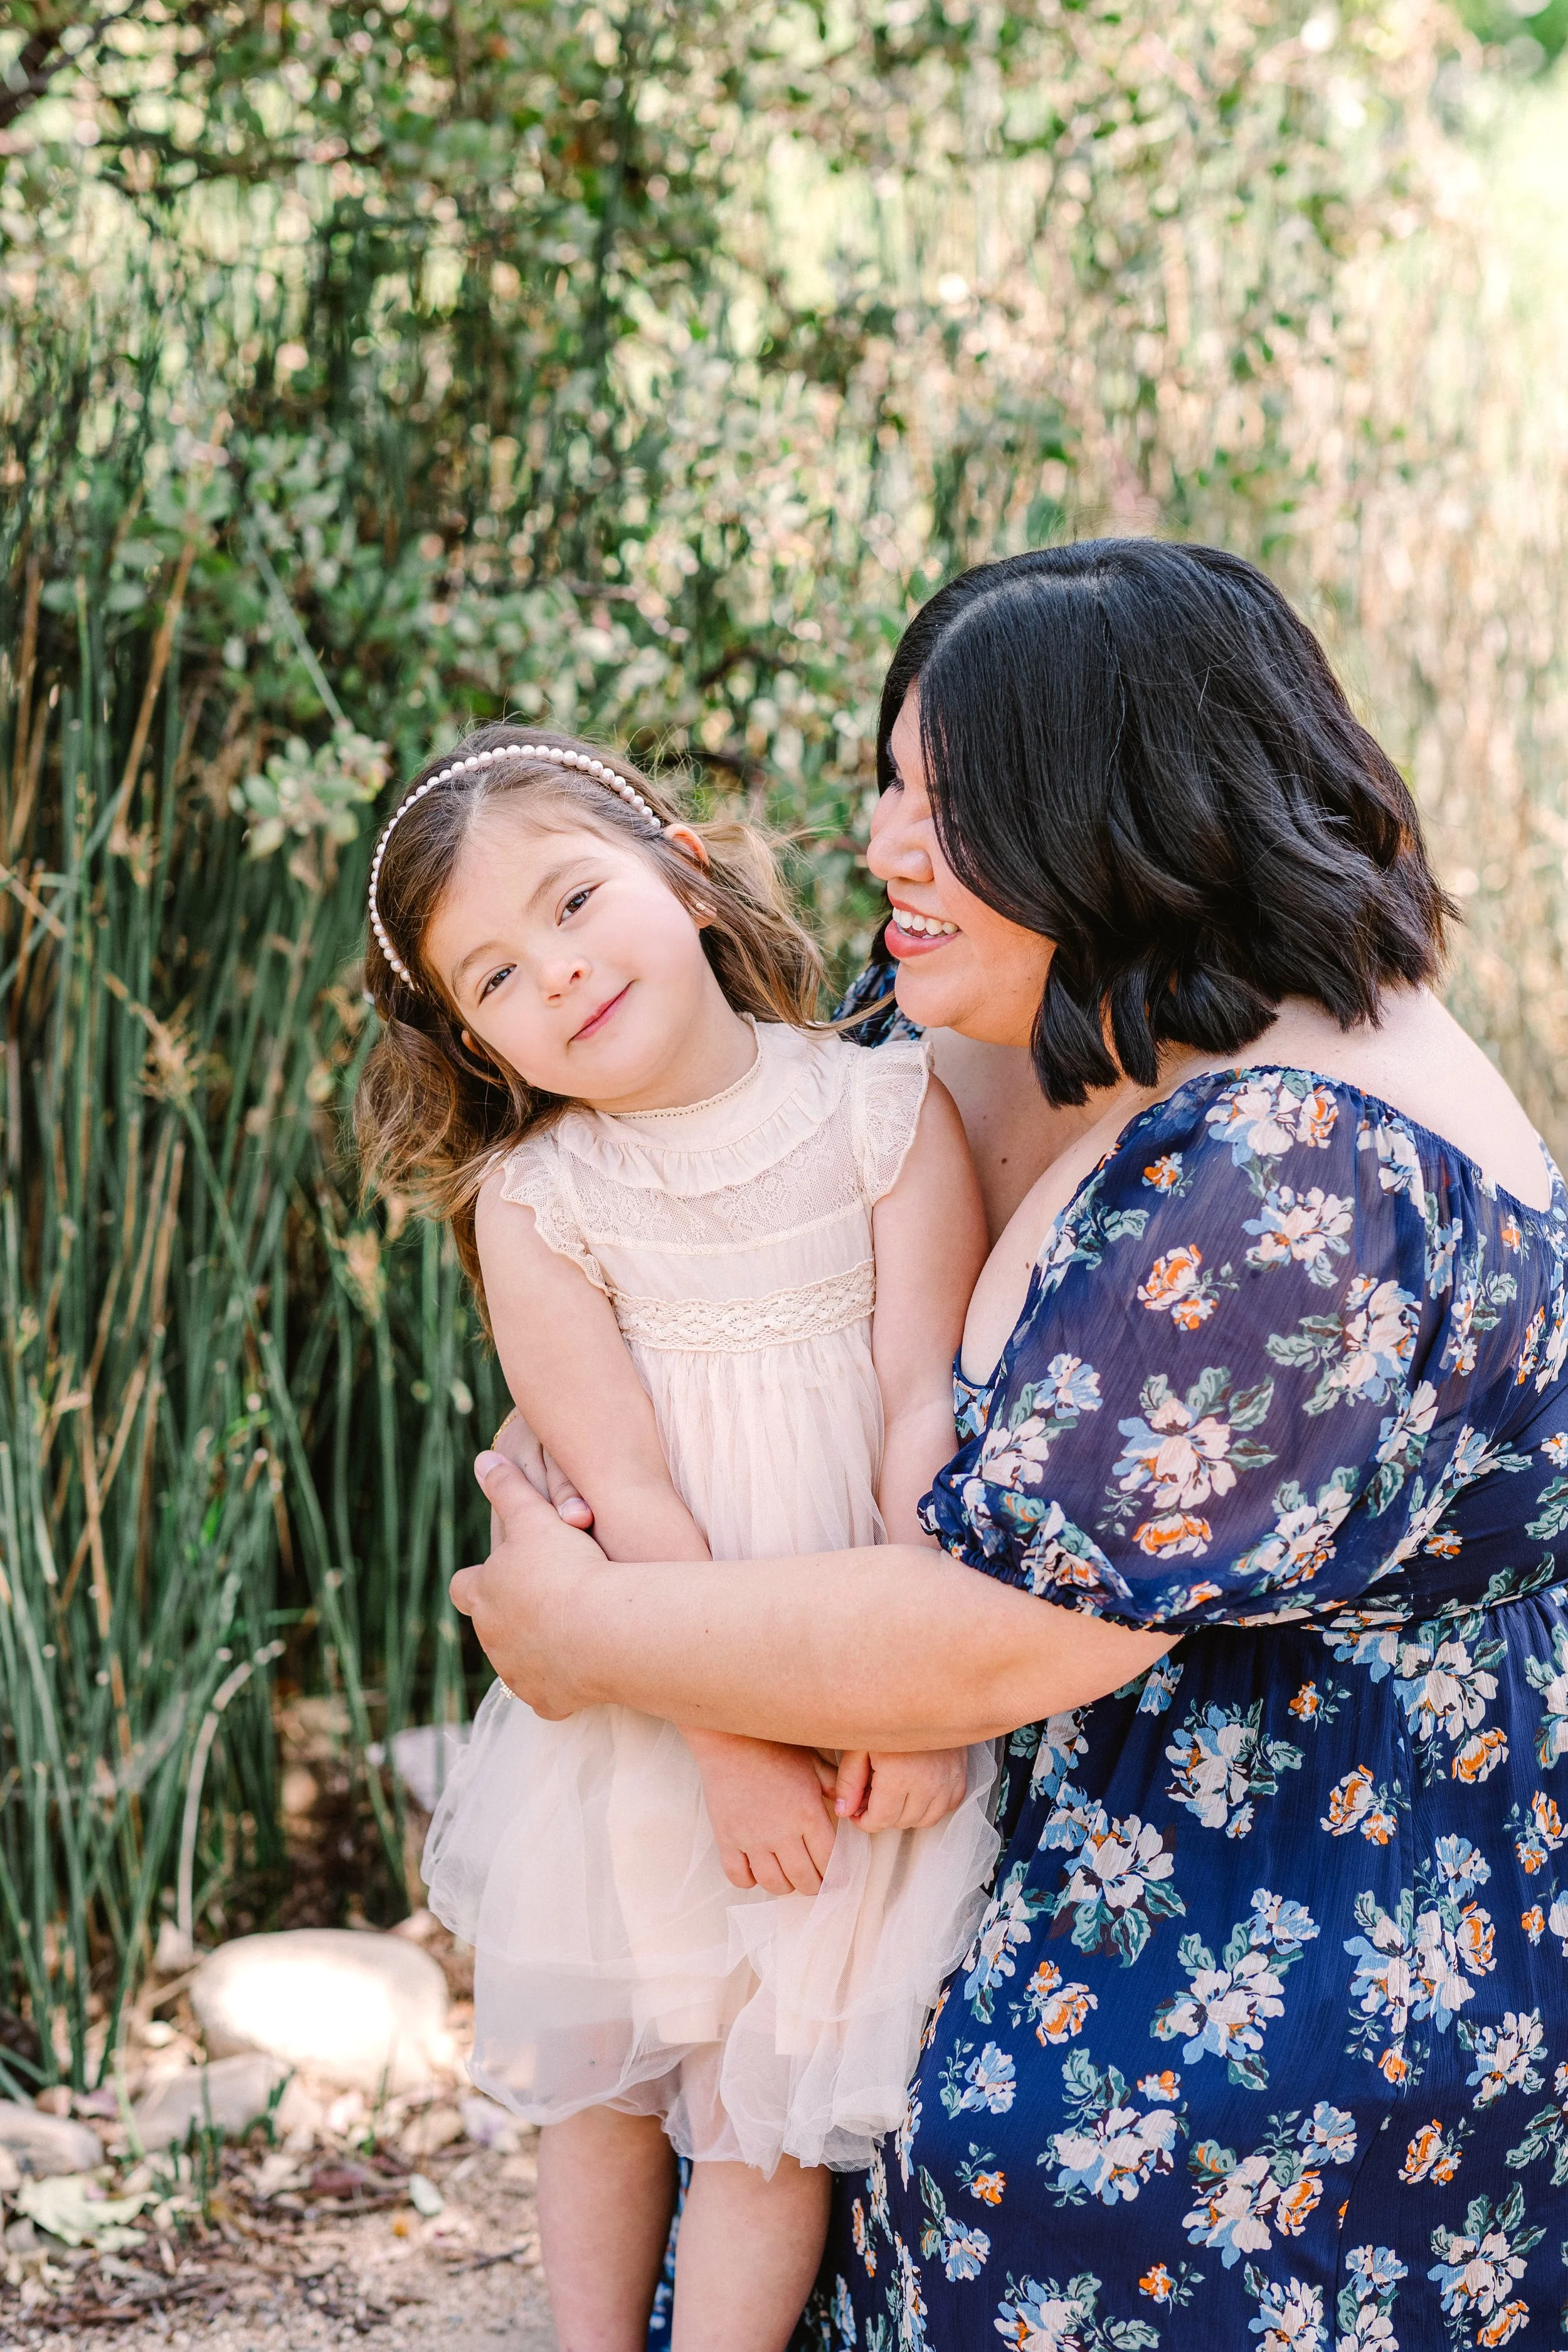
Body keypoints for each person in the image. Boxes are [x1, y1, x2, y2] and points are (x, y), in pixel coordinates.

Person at [450, 541, 1568, 2348]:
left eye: (949, 803)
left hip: (1271, 1970)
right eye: (888, 780)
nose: (886, 844)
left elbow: (998, 1635)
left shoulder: (1300, 1166)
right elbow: (729, 1263)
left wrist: (586, 1636)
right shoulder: (1030, 1013)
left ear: (1119, 814)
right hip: (963, 1857)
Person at [352, 723, 1005, 2352]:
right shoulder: (540, 1199)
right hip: (659, 1717)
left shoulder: (883, 1110)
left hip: (861, 1657)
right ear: (477, 1043)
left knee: (762, 2099)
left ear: (684, 871)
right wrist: (729, 1741)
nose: (556, 973)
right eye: (494, 977)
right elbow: (622, 1489)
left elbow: (921, 1408)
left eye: (573, 902)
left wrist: (909, 1707)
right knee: (611, 2077)